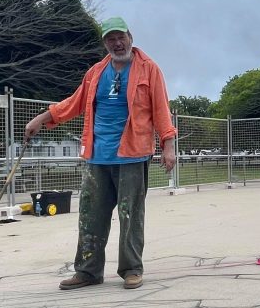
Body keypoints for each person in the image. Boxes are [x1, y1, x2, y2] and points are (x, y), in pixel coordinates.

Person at [24, 16, 177, 290]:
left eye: (121, 37)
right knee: (90, 215)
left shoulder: (149, 69)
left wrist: (169, 146)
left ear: (130, 36)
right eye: (110, 39)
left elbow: (161, 110)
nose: (117, 43)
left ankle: (131, 269)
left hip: (132, 154)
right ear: (105, 43)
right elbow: (74, 103)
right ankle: (88, 271)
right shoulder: (96, 72)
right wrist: (40, 119)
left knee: (131, 216)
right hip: (97, 156)